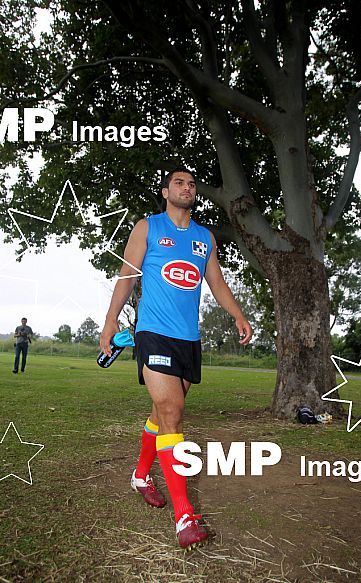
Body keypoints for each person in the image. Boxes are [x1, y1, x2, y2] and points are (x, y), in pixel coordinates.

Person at [100, 167, 252, 550]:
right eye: (180, 182)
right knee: (172, 411)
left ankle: (140, 475)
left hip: (189, 340)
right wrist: (109, 321)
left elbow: (216, 283)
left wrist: (237, 315)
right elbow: (126, 276)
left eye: (192, 183)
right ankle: (184, 516)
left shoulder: (205, 238)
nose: (187, 187)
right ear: (166, 190)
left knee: (160, 414)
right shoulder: (147, 227)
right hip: (153, 333)